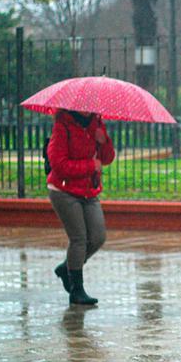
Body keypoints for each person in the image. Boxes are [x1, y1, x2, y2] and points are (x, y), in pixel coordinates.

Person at [47, 109, 115, 305]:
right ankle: (77, 290)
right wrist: (89, 166)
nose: (88, 109)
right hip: (64, 190)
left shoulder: (96, 122)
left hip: (88, 190)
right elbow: (58, 164)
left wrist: (104, 141)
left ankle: (66, 268)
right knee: (79, 239)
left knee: (98, 237)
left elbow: (107, 158)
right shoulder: (62, 125)